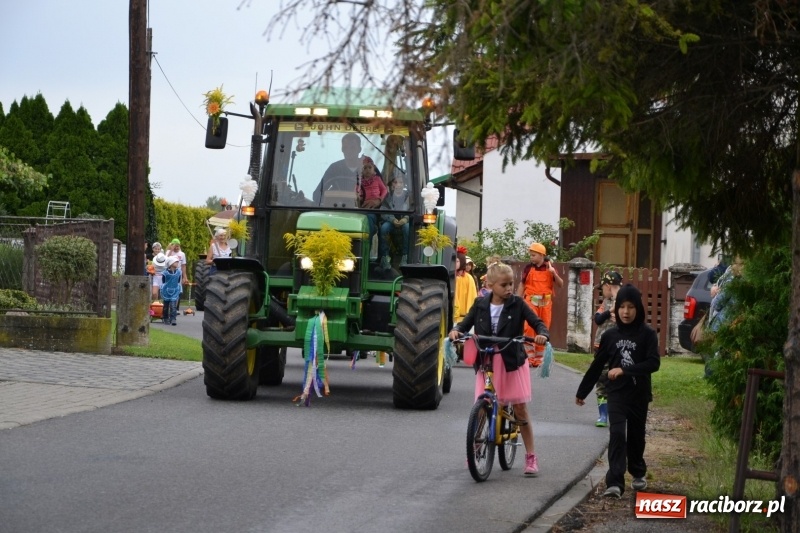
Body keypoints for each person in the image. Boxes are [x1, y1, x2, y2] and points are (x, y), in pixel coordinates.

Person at [449, 262, 550, 477]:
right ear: (490, 284)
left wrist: (542, 333)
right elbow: (465, 324)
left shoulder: (518, 304)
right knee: (483, 406)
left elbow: (537, 321)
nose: (509, 288)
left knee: (520, 409)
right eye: (504, 285)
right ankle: (475, 447)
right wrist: (456, 331)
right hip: (487, 359)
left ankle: (531, 455)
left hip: (510, 360)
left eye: (511, 284)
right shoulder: (480, 304)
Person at [575, 284, 661, 498]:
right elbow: (598, 365)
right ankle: (614, 482)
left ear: (638, 308)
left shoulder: (647, 334)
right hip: (616, 394)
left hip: (639, 394)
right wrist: (582, 391)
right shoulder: (610, 336)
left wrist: (625, 370)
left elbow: (653, 363)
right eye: (622, 307)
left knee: (636, 436)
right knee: (616, 434)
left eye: (631, 307)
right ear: (616, 308)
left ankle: (638, 471)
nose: (626, 312)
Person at [517, 242, 563, 366]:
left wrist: (554, 273)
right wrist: (517, 299)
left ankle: (538, 358)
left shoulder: (550, 268)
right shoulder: (528, 268)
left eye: (533, 255)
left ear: (541, 255)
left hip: (546, 304)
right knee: (528, 329)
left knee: (543, 330)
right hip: (530, 302)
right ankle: (529, 357)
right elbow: (522, 284)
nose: (531, 257)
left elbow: (560, 284)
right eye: (530, 255)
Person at [593, 271, 623, 427]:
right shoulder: (606, 302)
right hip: (601, 347)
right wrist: (609, 312)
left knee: (618, 380)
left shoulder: (624, 302)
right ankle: (603, 415)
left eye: (602, 287)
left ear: (607, 285)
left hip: (618, 348)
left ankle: (616, 414)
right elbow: (597, 319)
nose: (602, 291)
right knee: (602, 380)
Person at [312, 132, 363, 205]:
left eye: (352, 148)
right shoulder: (334, 169)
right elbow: (317, 195)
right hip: (336, 210)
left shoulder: (369, 169)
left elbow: (381, 194)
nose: (348, 151)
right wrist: (331, 200)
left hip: (362, 212)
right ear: (342, 150)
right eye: (345, 148)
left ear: (359, 149)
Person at [356, 156, 387, 264]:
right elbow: (355, 194)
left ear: (374, 169)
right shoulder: (359, 183)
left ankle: (365, 256)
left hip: (374, 211)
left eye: (369, 167)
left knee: (368, 224)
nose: (367, 170)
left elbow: (384, 190)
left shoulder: (377, 180)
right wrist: (358, 198)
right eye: (365, 168)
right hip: (362, 209)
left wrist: (379, 200)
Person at [379, 175, 410, 269]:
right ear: (392, 184)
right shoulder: (388, 197)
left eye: (401, 182)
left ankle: (405, 256)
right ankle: (385, 257)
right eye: (395, 182)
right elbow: (383, 211)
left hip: (405, 222)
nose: (398, 185)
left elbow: (414, 210)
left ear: (404, 184)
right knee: (384, 228)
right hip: (391, 221)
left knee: (407, 228)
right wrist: (392, 219)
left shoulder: (409, 196)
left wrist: (405, 219)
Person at [454, 251, 478, 325]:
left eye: (457, 261)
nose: (455, 263)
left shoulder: (469, 278)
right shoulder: (452, 277)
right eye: (455, 261)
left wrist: (469, 314)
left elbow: (472, 296)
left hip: (462, 317)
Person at [166, 238, 188, 310]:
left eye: (178, 246)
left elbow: (183, 265)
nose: (176, 248)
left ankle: (175, 308)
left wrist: (185, 277)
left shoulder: (182, 254)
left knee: (177, 290)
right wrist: (171, 249)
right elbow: (166, 259)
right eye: (175, 246)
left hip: (178, 273)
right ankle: (168, 306)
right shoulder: (169, 252)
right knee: (169, 289)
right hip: (169, 272)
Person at [160, 257, 183, 326]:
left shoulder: (178, 272)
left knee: (173, 305)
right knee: (166, 305)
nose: (177, 263)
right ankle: (165, 317)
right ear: (171, 263)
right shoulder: (165, 273)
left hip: (175, 289)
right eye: (176, 262)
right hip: (166, 290)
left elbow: (178, 281)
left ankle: (173, 318)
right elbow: (163, 281)